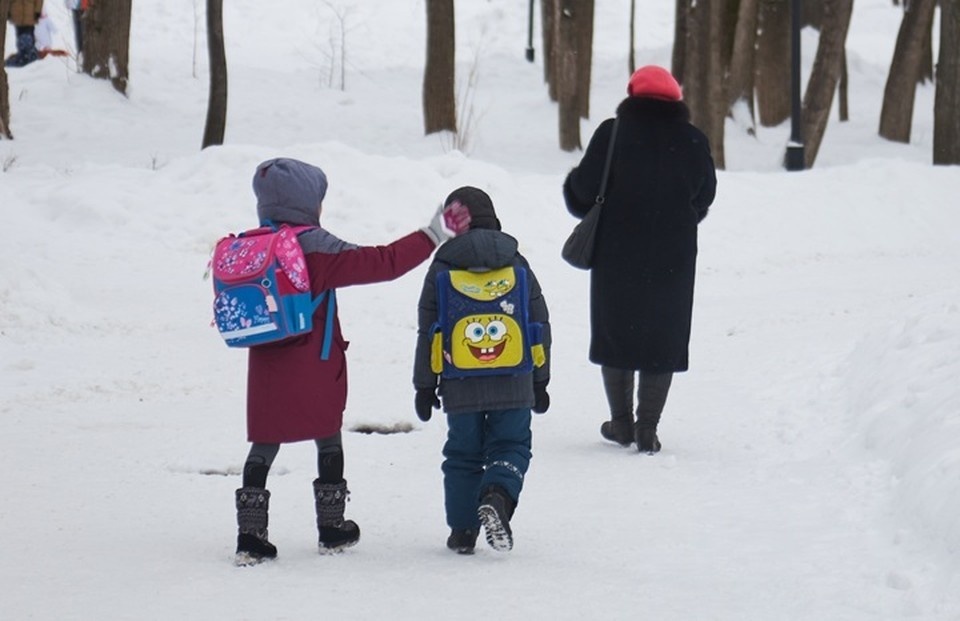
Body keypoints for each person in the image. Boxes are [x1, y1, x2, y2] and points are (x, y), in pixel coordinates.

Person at [232, 158, 471, 566]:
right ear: (307, 204)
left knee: (266, 441)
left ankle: (251, 535)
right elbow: (384, 263)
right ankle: (332, 526)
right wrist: (435, 233)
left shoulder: (253, 247)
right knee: (327, 433)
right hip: (314, 359)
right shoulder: (315, 247)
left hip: (267, 364)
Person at [562, 65, 717, 454]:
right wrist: (678, 218)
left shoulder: (612, 134)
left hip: (617, 252)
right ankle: (648, 427)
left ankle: (621, 422)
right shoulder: (694, 140)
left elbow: (582, 192)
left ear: (632, 94)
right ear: (676, 100)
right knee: (663, 333)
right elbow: (705, 195)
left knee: (616, 330)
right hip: (673, 255)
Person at [413, 186, 551, 554]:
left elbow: (428, 330)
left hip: (460, 381)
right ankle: (498, 494)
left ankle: (462, 531)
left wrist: (424, 385)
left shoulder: (443, 265)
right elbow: (539, 321)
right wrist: (541, 379)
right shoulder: (515, 260)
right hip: (515, 375)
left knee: (462, 454)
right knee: (512, 444)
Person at [5, 0, 44, 67]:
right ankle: (24, 56)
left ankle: (29, 57)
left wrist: (38, 11)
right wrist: (7, 10)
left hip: (30, 14)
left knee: (28, 37)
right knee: (21, 38)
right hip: (16, 13)